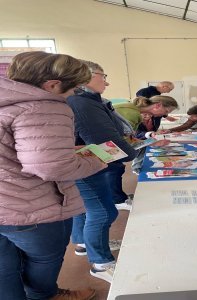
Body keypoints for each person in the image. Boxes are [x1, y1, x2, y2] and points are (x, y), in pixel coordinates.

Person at [0, 51, 107, 300]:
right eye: (73, 89)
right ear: (52, 85)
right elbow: (51, 167)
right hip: (31, 208)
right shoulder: (44, 105)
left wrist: (64, 151)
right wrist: (99, 158)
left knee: (4, 270)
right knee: (44, 260)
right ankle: (46, 296)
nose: (73, 96)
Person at [67, 60, 141, 284]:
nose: (106, 82)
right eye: (103, 75)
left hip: (82, 164)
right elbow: (104, 139)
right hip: (86, 166)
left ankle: (83, 243)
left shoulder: (82, 100)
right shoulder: (81, 102)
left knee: (84, 209)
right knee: (103, 212)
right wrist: (131, 153)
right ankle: (101, 263)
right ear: (86, 76)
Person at [114, 96, 179, 175]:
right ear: (158, 105)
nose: (165, 114)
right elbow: (125, 141)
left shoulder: (134, 111)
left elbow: (130, 138)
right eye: (166, 111)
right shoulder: (132, 113)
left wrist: (153, 143)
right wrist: (152, 143)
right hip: (105, 151)